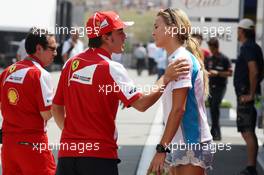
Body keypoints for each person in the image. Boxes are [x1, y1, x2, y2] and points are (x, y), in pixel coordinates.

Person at [52, 11, 190, 175]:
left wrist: (72, 135)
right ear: (106, 37)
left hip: (67, 155)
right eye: (120, 32)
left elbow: (56, 107)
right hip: (98, 158)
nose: (125, 36)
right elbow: (142, 103)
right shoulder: (112, 67)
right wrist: (165, 78)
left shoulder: (71, 63)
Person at [147, 8, 213, 175]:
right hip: (181, 142)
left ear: (172, 29)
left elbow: (178, 110)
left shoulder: (181, 60)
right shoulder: (176, 59)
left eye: (156, 26)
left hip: (190, 142)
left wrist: (161, 149)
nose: (153, 32)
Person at [0, 28, 56, 175]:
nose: (55, 54)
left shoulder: (8, 71)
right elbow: (46, 114)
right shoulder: (40, 74)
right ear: (39, 48)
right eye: (52, 49)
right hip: (32, 144)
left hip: (9, 145)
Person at [234, 18, 264, 175]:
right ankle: (251, 166)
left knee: (247, 130)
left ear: (242, 31)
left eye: (238, 29)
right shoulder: (255, 47)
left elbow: (254, 71)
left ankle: (251, 167)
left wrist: (250, 94)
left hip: (247, 95)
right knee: (249, 130)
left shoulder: (248, 48)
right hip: (250, 93)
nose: (237, 32)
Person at [205, 37, 232, 141]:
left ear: (216, 47)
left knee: (214, 107)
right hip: (211, 87)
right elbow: (205, 71)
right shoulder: (209, 59)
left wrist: (218, 73)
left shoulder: (224, 59)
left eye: (211, 47)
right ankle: (214, 132)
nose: (210, 49)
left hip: (220, 87)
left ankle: (216, 132)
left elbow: (230, 73)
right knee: (212, 108)